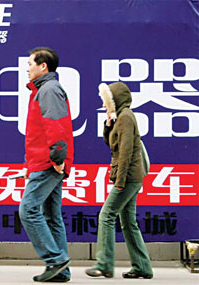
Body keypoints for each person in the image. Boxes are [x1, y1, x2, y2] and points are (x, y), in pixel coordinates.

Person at [85, 82, 153, 279]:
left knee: (106, 215)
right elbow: (111, 143)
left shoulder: (126, 118)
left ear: (115, 101)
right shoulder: (121, 118)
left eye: (107, 102)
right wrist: (108, 124)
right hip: (131, 176)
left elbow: (125, 153)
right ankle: (142, 267)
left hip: (128, 177)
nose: (104, 105)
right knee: (128, 222)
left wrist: (120, 181)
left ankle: (104, 264)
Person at [19, 47, 74, 282]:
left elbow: (57, 126)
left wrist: (58, 160)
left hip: (49, 162)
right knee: (51, 216)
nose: (27, 67)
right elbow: (39, 132)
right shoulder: (43, 90)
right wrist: (29, 165)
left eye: (31, 63)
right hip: (45, 161)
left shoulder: (49, 89)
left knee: (28, 210)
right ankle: (62, 270)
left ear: (43, 66)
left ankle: (56, 260)